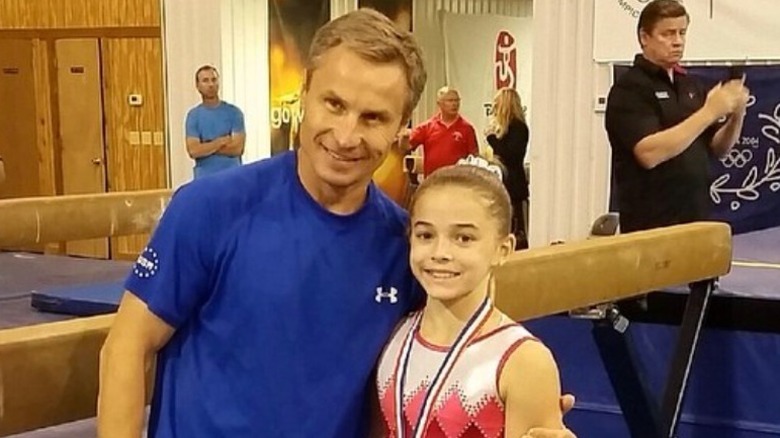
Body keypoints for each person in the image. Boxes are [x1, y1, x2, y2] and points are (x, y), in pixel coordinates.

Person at [98, 9, 576, 438]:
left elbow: (443, 357)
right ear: (304, 94)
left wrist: (522, 400)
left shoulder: (404, 243)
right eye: (334, 105)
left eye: (373, 118)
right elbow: (127, 348)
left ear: (400, 126)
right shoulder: (211, 208)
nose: (346, 135)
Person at [375, 162, 563, 437]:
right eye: (425, 235)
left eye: (463, 238)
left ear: (503, 249)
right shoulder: (395, 335)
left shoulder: (524, 362)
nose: (440, 252)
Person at [605, 0, 749, 233]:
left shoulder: (689, 85)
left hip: (696, 218)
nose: (678, 41)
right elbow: (649, 153)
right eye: (668, 34)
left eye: (682, 33)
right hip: (652, 225)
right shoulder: (629, 89)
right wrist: (710, 111)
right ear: (645, 37)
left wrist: (736, 114)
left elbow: (718, 149)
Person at [486, 87, 530, 249]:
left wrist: (492, 139)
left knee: (515, 226)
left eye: (497, 105)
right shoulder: (504, 128)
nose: (494, 109)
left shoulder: (518, 128)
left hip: (514, 186)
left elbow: (510, 155)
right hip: (502, 183)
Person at [185, 65, 246, 179]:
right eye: (205, 81)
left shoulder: (234, 113)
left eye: (214, 80)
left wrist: (206, 145)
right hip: (204, 180)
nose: (211, 84)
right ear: (197, 86)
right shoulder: (193, 116)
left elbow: (237, 149)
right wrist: (220, 141)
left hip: (232, 177)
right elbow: (193, 151)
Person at [404, 86, 479, 176]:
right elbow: (406, 147)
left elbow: (474, 157)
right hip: (433, 182)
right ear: (439, 103)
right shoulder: (426, 127)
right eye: (450, 101)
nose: (454, 104)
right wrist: (404, 136)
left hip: (458, 182)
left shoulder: (467, 128)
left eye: (457, 100)